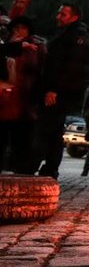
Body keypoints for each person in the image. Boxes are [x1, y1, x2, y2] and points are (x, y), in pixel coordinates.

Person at [32, 3, 89, 179]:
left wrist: (54, 89)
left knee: (46, 129)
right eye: (59, 13)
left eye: (63, 14)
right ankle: (49, 167)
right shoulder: (67, 35)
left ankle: (34, 166)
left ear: (74, 17)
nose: (58, 16)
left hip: (60, 92)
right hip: (60, 90)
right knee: (54, 132)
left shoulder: (75, 37)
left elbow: (71, 67)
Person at [0, 16, 43, 173]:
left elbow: (40, 71)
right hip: (6, 97)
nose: (18, 31)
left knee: (22, 135)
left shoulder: (35, 48)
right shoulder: (7, 46)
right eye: (16, 28)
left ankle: (21, 167)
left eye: (22, 28)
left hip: (25, 96)